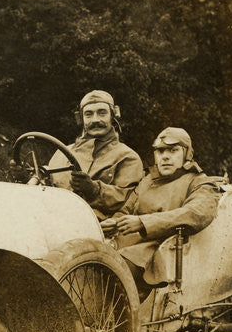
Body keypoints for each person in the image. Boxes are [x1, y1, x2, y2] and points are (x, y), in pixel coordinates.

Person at [100, 127, 220, 296]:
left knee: (117, 269)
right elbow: (126, 209)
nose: (165, 156)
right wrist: (115, 222)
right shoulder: (147, 182)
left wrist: (143, 222)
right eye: (160, 151)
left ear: (187, 154)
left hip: (162, 254)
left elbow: (195, 214)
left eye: (173, 150)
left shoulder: (201, 183)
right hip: (127, 246)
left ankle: (116, 321)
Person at [49, 90, 144, 219]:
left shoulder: (128, 157)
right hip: (53, 219)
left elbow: (126, 199)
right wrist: (22, 177)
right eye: (88, 114)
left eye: (102, 113)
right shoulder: (62, 153)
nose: (95, 120)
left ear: (113, 115)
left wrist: (94, 189)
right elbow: (45, 189)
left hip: (97, 228)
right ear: (81, 119)